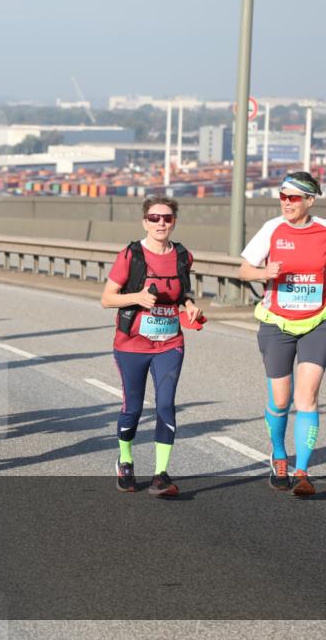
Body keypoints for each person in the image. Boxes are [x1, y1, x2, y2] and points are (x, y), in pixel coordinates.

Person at [237, 172, 326, 496]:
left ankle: (302, 472)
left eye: (293, 197)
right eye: (283, 197)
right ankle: (279, 454)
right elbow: (243, 270)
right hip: (276, 322)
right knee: (281, 399)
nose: (286, 203)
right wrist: (262, 272)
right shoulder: (272, 229)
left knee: (307, 396)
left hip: (319, 320)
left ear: (310, 200)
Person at [100, 196, 202, 497]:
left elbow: (182, 293)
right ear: (145, 221)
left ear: (174, 222)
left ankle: (161, 474)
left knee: (166, 405)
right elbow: (107, 298)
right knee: (132, 407)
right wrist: (137, 298)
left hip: (170, 342)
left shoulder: (183, 256)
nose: (161, 223)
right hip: (131, 344)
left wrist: (190, 306)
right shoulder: (132, 255)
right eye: (155, 218)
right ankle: (126, 460)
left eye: (167, 218)